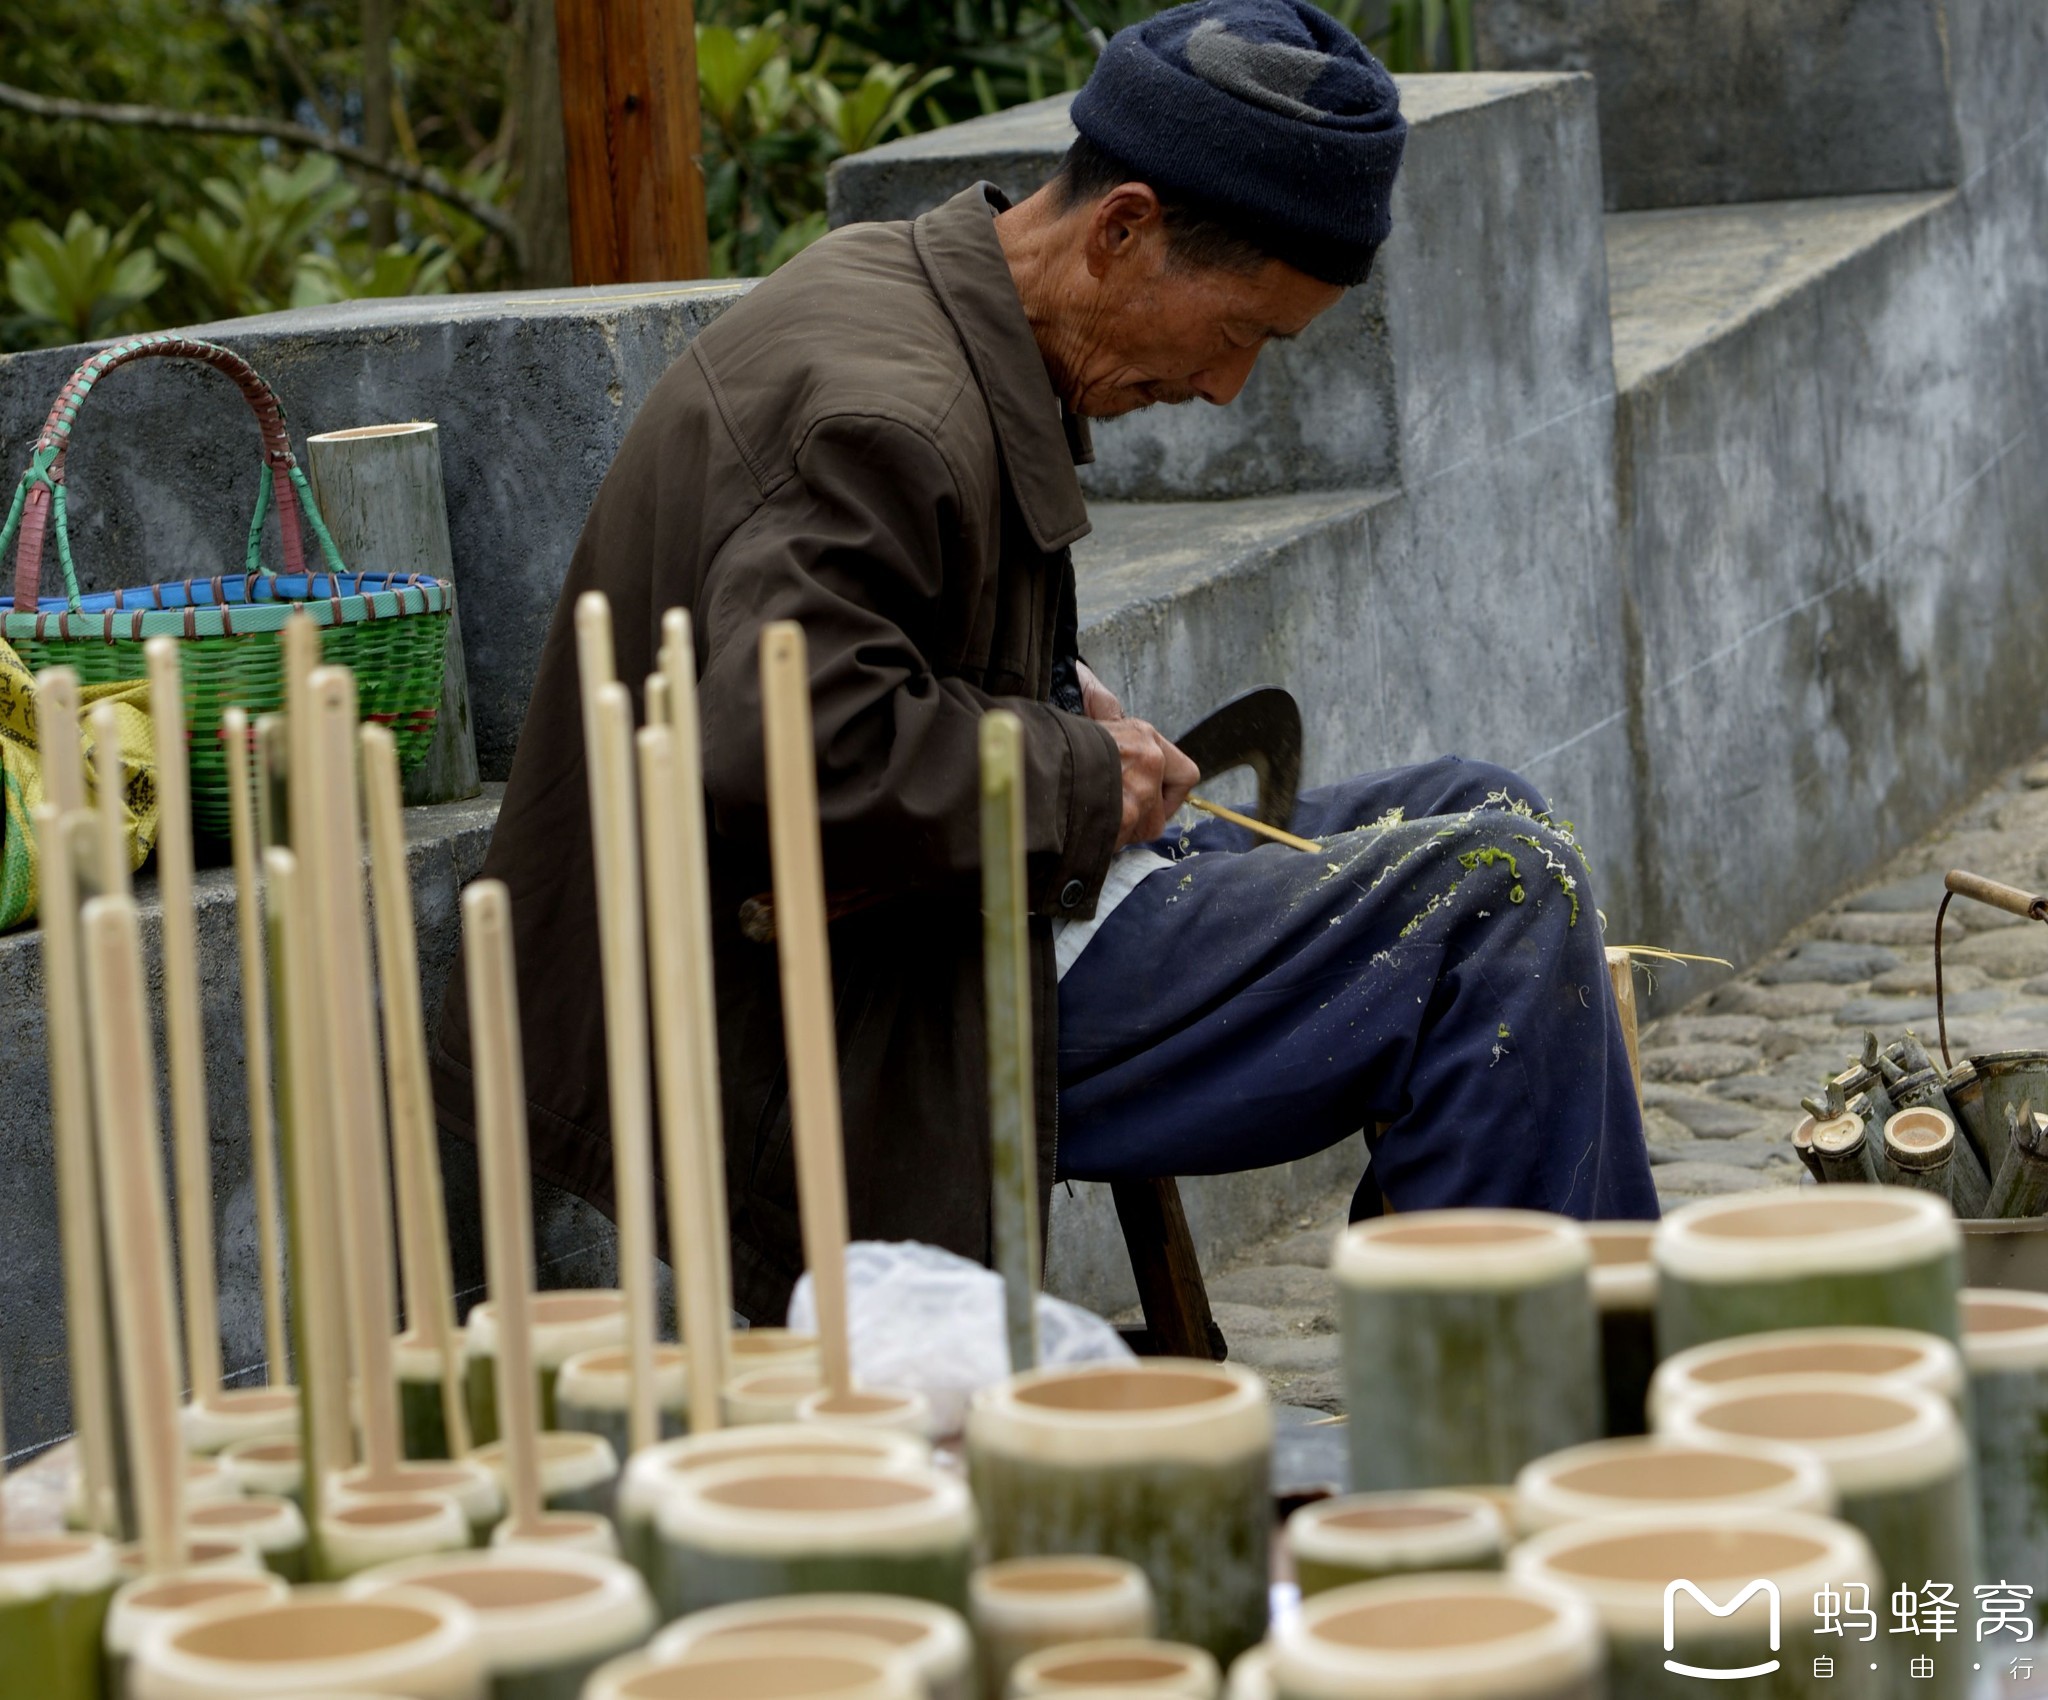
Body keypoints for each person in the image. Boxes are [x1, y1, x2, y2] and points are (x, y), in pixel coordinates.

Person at [433, 0, 1657, 1325]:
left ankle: (1478, 1361)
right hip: (841, 1013)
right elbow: (791, 745)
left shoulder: (928, 305)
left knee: (1483, 809)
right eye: (1242, 330)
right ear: (1122, 228)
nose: (1229, 386)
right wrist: (1075, 768)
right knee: (1497, 902)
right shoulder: (882, 410)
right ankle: (1517, 1435)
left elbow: (873, 654)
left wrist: (1051, 706)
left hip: (948, 923)